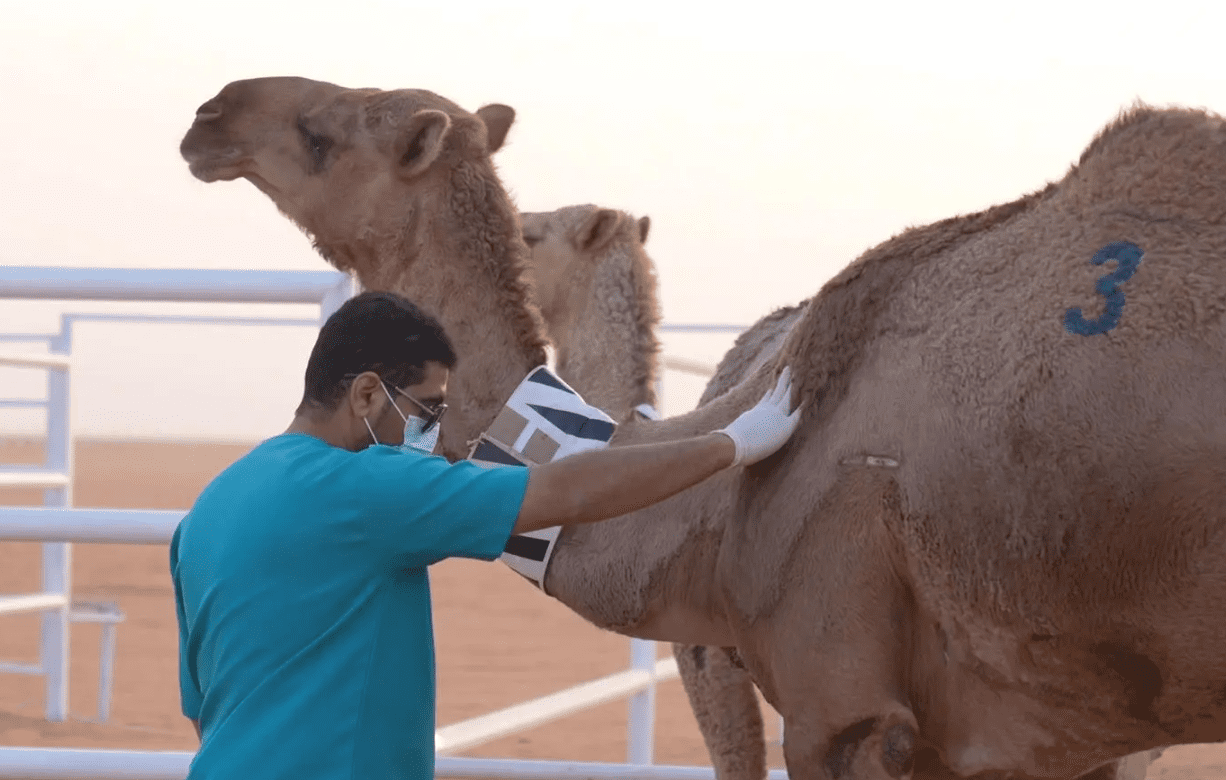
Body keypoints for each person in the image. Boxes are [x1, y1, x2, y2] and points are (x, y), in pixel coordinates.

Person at [171, 291, 802, 780]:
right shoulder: (370, 488)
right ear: (367, 393)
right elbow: (566, 492)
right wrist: (730, 445)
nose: (432, 431)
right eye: (425, 410)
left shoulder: (209, 508)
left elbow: (205, 709)